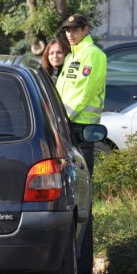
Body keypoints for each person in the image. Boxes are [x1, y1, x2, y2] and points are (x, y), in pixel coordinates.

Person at [55, 13, 107, 174]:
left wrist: (64, 118)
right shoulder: (72, 55)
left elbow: (83, 91)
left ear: (85, 30)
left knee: (82, 173)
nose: (70, 34)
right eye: (68, 30)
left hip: (81, 123)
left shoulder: (92, 53)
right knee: (70, 173)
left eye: (75, 30)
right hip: (69, 121)